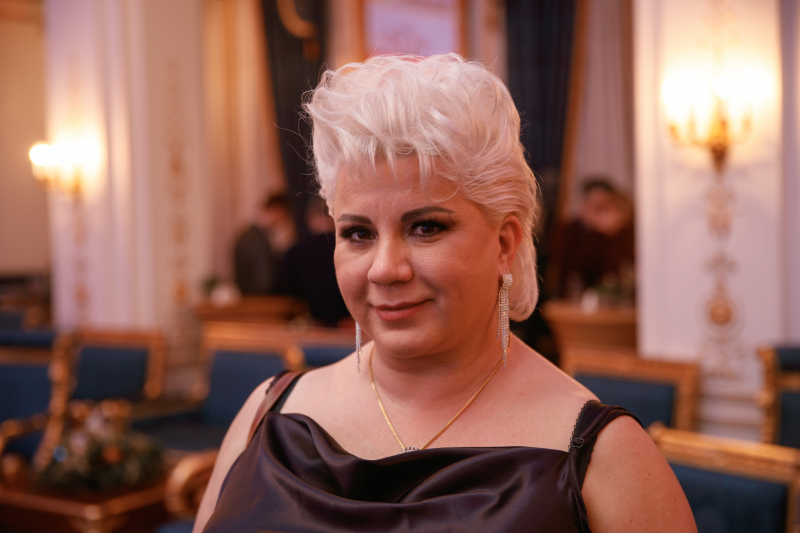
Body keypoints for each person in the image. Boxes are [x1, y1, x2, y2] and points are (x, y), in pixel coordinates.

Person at [195, 55, 695, 532]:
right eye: (358, 233)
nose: (385, 269)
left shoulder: (606, 459)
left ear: (504, 244)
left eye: (426, 227)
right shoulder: (266, 412)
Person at [550, 179, 635, 301]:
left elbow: (621, 271)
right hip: (571, 300)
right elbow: (568, 268)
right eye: (592, 204)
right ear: (582, 204)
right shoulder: (566, 231)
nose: (596, 211)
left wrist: (611, 233)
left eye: (602, 206)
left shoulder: (622, 234)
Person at [275, 195, 351, 326]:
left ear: (310, 217)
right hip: (352, 327)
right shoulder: (353, 249)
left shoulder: (295, 252)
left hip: (313, 328)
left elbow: (284, 296)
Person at [233, 193, 294, 295]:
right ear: (278, 210)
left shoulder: (248, 235)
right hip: (259, 300)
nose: (283, 223)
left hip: (250, 298)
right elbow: (263, 282)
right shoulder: (256, 240)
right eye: (285, 217)